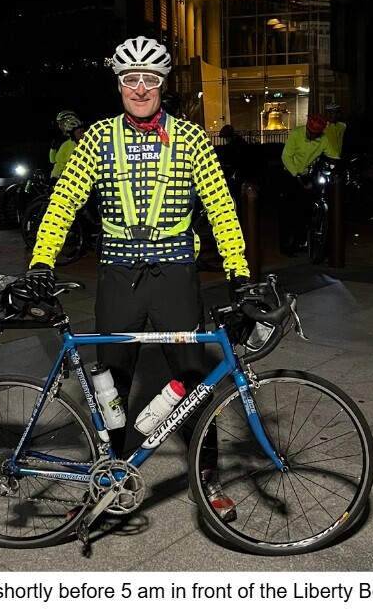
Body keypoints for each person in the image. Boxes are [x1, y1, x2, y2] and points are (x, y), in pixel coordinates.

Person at [25, 35, 250, 521]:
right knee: (111, 381)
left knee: (195, 380)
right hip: (118, 276)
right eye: (131, 79)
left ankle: (206, 480)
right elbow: (64, 201)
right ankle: (110, 474)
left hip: (175, 276)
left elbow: (222, 211)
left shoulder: (191, 140)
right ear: (120, 85)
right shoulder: (96, 139)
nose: (141, 88)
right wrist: (41, 261)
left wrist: (240, 274)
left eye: (150, 79)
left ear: (162, 86)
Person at [279, 113, 339, 256]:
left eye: (315, 134)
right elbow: (286, 156)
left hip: (306, 174)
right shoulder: (296, 134)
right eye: (310, 132)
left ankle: (301, 241)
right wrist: (296, 174)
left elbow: (334, 156)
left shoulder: (323, 140)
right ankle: (286, 245)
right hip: (289, 173)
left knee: (305, 210)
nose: (312, 136)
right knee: (288, 212)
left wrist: (331, 167)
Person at [216, 124, 249, 215]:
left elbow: (235, 160)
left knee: (235, 196)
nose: (226, 140)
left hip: (237, 174)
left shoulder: (235, 145)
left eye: (226, 138)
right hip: (237, 173)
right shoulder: (239, 142)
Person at [49, 110, 86, 183]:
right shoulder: (65, 144)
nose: (60, 127)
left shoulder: (90, 140)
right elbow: (58, 163)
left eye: (61, 124)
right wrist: (54, 178)